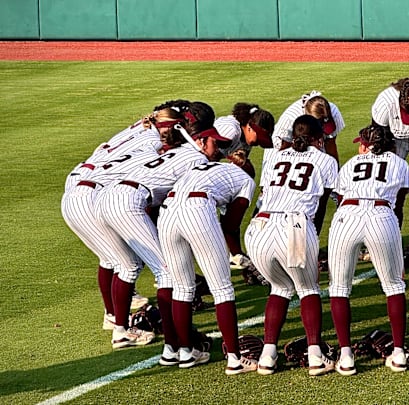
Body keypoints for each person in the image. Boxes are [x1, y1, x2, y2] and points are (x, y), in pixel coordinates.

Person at [96, 101, 226, 357]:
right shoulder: (195, 158)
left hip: (106, 198)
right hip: (127, 200)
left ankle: (132, 327)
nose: (218, 149)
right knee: (166, 274)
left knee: (125, 263)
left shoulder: (172, 152)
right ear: (200, 141)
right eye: (215, 144)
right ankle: (174, 345)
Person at [60, 100, 188, 330]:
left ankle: (114, 315)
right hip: (92, 193)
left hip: (80, 185)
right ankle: (124, 328)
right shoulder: (151, 142)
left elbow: (102, 150)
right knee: (133, 266)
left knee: (113, 260)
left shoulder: (141, 130)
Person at [244, 115, 339, 376]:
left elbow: (264, 196)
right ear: (319, 138)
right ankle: (316, 356)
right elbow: (320, 209)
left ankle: (267, 356)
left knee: (280, 287)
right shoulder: (326, 160)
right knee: (308, 288)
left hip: (259, 227)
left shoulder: (273, 157)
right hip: (295, 226)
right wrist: (313, 237)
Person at [157, 135, 257, 374]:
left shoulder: (207, 167)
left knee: (181, 288)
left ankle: (181, 352)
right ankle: (234, 359)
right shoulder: (246, 179)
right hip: (197, 210)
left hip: (168, 212)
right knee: (222, 288)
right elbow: (231, 224)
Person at [327, 125, 409, 375]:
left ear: (365, 145)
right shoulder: (399, 163)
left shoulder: (352, 162)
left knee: (339, 288)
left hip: (346, 215)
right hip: (382, 214)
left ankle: (345, 356)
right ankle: (398, 353)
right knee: (394, 285)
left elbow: (338, 197)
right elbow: (399, 204)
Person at [270, 90, 344, 161]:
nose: (322, 127)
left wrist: (336, 169)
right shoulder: (290, 119)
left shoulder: (334, 112)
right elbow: (284, 151)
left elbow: (330, 144)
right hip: (280, 148)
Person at [214, 102, 276, 179]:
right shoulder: (230, 131)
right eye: (258, 139)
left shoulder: (247, 139)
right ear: (249, 128)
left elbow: (239, 166)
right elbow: (205, 152)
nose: (258, 144)